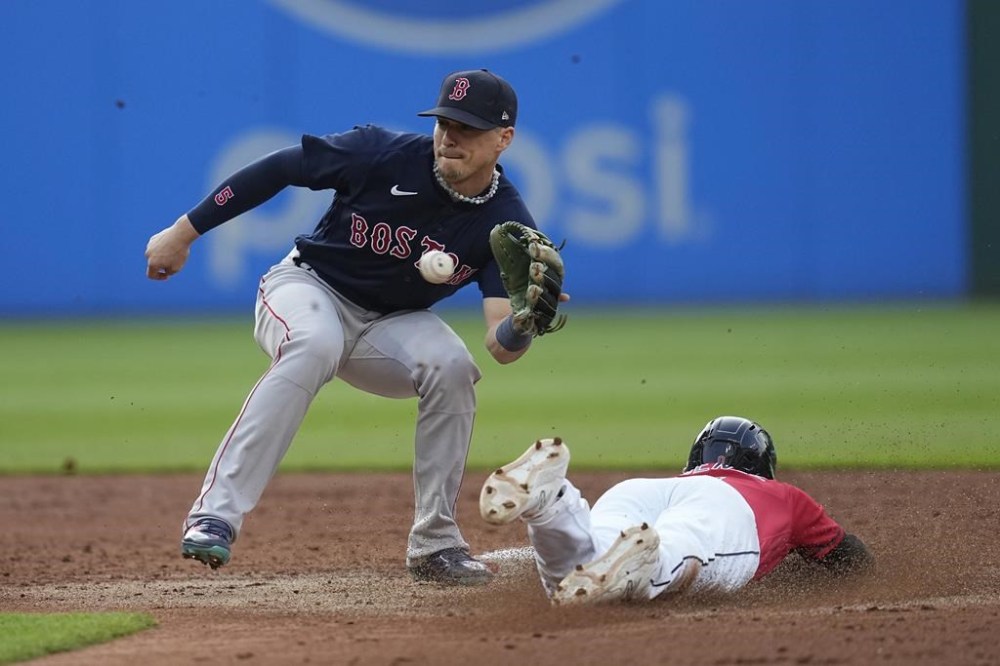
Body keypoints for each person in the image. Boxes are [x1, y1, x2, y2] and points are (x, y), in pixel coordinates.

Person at [144, 68, 565, 586]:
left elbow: (499, 342)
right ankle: (216, 515)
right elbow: (280, 168)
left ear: (504, 139)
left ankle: (435, 545)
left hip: (392, 324)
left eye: (468, 128)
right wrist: (183, 232)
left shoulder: (506, 224)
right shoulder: (380, 153)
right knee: (315, 342)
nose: (450, 136)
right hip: (308, 287)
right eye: (445, 122)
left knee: (454, 366)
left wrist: (523, 325)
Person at [480, 416, 874, 604]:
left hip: (639, 492)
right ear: (761, 464)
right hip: (728, 510)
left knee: (584, 562)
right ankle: (645, 565)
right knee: (685, 548)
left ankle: (555, 503)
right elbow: (850, 559)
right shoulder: (781, 495)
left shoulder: (678, 482)